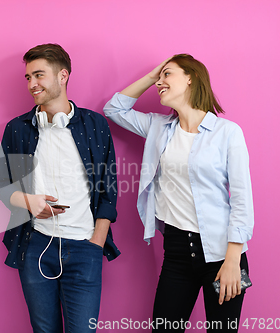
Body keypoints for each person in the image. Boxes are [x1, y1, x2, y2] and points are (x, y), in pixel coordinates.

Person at [104, 54, 253, 332]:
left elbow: (242, 200)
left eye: (167, 75)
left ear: (191, 77)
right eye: (160, 77)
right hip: (177, 252)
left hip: (224, 253)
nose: (160, 82)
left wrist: (234, 259)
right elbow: (114, 109)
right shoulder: (158, 127)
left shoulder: (227, 132)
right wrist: (151, 77)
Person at [0, 43, 120, 332]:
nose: (32, 84)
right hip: (36, 245)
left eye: (39, 75)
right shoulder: (19, 128)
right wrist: (29, 202)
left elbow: (108, 188)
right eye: (28, 78)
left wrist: (97, 241)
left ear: (62, 76)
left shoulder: (94, 124)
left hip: (85, 246)